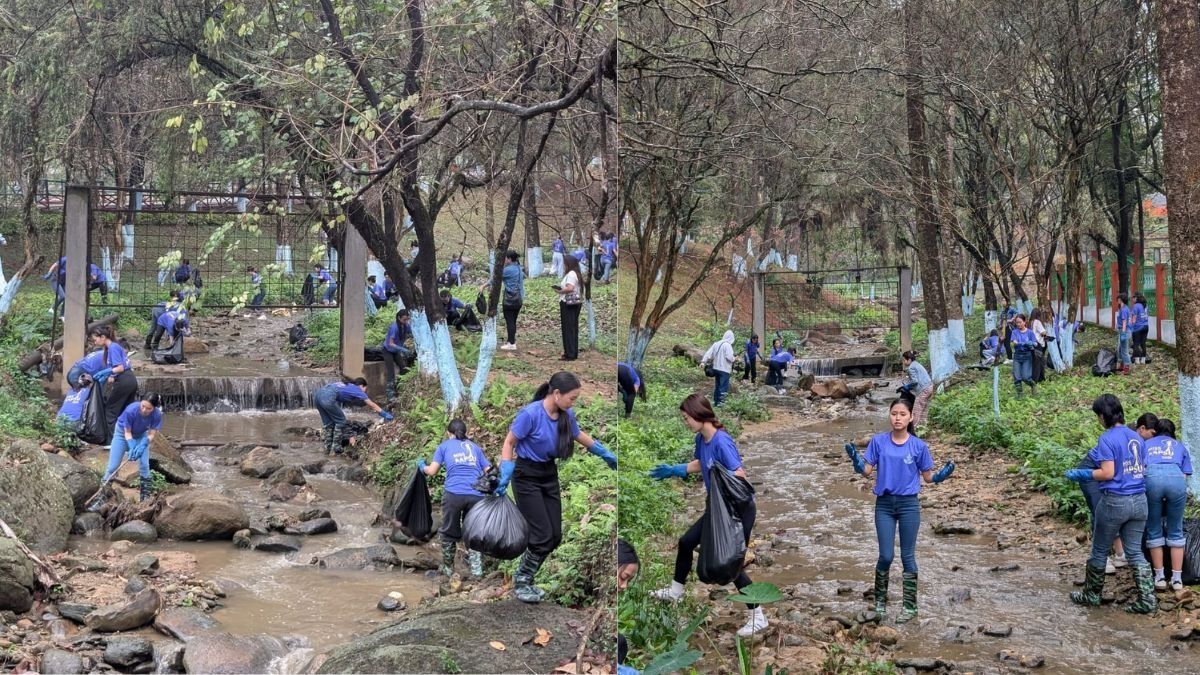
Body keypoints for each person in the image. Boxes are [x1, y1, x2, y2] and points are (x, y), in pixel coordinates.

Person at [648, 394, 768, 637]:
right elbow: (700, 463)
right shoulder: (701, 439)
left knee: (730, 561)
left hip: (737, 510)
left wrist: (720, 483)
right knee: (686, 542)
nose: (685, 422)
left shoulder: (722, 441)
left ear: (699, 414)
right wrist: (675, 470)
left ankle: (758, 616)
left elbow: (739, 475)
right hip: (718, 510)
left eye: (686, 418)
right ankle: (675, 591)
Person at [493, 372, 615, 602]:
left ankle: (527, 578)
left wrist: (604, 453)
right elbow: (509, 442)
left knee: (555, 536)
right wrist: (506, 470)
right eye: (572, 398)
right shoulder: (530, 414)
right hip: (526, 476)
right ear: (556, 393)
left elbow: (578, 435)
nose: (573, 403)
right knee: (542, 535)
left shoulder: (566, 414)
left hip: (548, 474)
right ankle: (522, 580)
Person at [844, 398, 954, 623]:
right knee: (886, 555)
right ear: (889, 415)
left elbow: (928, 477)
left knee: (908, 556)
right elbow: (866, 471)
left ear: (911, 417)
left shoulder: (918, 446)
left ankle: (910, 607)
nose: (897, 418)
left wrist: (942, 475)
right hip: (884, 504)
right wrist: (856, 460)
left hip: (908, 505)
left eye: (903, 414)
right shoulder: (878, 442)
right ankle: (880, 603)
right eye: (894, 413)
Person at [1063, 394, 1155, 613]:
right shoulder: (1136, 437)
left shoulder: (1107, 438)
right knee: (1135, 552)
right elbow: (1143, 468)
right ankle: (1147, 600)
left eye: (1098, 416)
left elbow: (1107, 473)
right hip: (1139, 500)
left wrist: (1082, 473)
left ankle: (1091, 595)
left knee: (1099, 550)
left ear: (1103, 416)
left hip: (1115, 501)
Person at [418, 420, 489, 578]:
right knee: (474, 531)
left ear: (448, 433)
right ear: (466, 432)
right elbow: (489, 470)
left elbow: (432, 471)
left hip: (454, 494)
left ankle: (448, 570)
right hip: (477, 495)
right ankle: (477, 572)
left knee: (449, 531)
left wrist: (422, 466)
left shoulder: (444, 446)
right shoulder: (475, 447)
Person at [1144, 418, 1192, 591]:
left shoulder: (1146, 444)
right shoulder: (1180, 446)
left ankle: (1159, 578)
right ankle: (1177, 580)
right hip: (1176, 480)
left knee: (1153, 528)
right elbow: (1186, 474)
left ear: (1155, 431)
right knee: (1176, 529)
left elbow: (1140, 468)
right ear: (1173, 432)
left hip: (1152, 480)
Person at [101, 394, 163, 502]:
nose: (144, 410)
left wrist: (144, 443)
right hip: (122, 433)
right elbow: (127, 432)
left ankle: (145, 498)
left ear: (154, 408)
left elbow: (152, 433)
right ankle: (102, 495)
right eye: (143, 406)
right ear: (140, 402)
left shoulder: (157, 414)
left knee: (144, 465)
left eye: (148, 408)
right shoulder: (131, 410)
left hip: (141, 436)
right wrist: (132, 445)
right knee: (113, 466)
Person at [313, 377, 393, 454]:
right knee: (341, 421)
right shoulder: (357, 389)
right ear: (361, 386)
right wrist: (385, 414)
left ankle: (327, 448)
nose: (365, 392)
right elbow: (372, 405)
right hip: (328, 398)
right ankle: (336, 448)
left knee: (328, 424)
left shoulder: (347, 385)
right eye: (365, 389)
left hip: (318, 396)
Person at [80, 325, 138, 427]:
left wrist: (105, 372)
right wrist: (109, 376)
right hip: (130, 380)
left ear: (103, 337)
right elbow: (116, 369)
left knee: (110, 412)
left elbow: (120, 368)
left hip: (124, 380)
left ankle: (112, 436)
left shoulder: (113, 347)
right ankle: (127, 435)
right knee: (125, 411)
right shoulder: (112, 347)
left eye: (95, 340)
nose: (95, 343)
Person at [382, 310, 414, 402]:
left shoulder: (406, 326)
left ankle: (398, 387)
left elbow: (413, 333)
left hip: (396, 351)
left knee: (404, 368)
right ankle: (390, 395)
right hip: (388, 350)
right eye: (404, 319)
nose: (406, 321)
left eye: (407, 319)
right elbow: (391, 343)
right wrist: (403, 349)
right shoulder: (394, 327)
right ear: (399, 318)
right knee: (391, 372)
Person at [556, 255, 583, 361]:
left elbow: (570, 288)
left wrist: (560, 291)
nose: (563, 265)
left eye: (565, 263)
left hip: (568, 303)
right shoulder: (575, 273)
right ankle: (572, 352)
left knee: (568, 328)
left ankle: (570, 353)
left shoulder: (571, 274)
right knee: (572, 328)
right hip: (573, 303)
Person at [701, 331, 736, 405]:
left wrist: (703, 362)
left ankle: (716, 402)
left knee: (717, 386)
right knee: (723, 387)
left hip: (716, 368)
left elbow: (708, 353)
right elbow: (729, 357)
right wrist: (734, 359)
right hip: (725, 370)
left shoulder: (716, 344)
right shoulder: (728, 345)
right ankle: (721, 404)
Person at [901, 351, 934, 428]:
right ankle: (923, 427)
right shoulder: (917, 364)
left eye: (904, 360)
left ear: (909, 360)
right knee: (924, 409)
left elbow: (915, 381)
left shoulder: (911, 368)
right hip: (929, 387)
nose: (903, 362)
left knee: (917, 410)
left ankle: (913, 429)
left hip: (923, 389)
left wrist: (907, 386)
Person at [500, 250, 525, 351]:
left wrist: (484, 286)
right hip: (519, 299)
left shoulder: (507, 270)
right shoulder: (519, 268)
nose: (504, 260)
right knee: (513, 321)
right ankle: (511, 341)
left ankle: (511, 343)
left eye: (505, 258)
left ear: (509, 259)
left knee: (510, 321)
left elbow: (495, 278)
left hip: (510, 300)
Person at [1010, 314, 1037, 397]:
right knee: (1017, 376)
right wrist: (1017, 343)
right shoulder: (1014, 332)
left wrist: (1031, 343)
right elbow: (1014, 342)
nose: (1018, 324)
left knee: (1026, 377)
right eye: (1017, 323)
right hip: (1017, 356)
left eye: (1020, 322)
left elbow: (1035, 343)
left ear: (1025, 322)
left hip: (1027, 356)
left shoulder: (1030, 332)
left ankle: (1032, 384)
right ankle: (1020, 395)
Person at [1030, 308, 1048, 383]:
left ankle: (1037, 378)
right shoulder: (1037, 322)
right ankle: (1037, 379)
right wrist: (1046, 331)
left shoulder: (1030, 322)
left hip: (1032, 344)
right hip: (1038, 344)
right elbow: (1043, 332)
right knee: (1039, 362)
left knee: (1035, 362)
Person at [1131, 293, 1150, 365]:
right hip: (1146, 326)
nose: (1132, 299)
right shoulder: (1146, 305)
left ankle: (1137, 361)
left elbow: (1134, 319)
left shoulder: (1136, 306)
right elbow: (1147, 315)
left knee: (1136, 344)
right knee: (1143, 343)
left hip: (1137, 327)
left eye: (1133, 297)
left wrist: (1131, 326)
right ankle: (1143, 360)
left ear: (1136, 298)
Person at [1115, 293, 1132, 374]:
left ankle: (1127, 368)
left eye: (1118, 299)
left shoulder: (1124, 309)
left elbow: (1124, 321)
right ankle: (1122, 365)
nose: (1117, 300)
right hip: (1122, 330)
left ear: (1121, 299)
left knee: (1124, 350)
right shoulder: (1123, 308)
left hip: (1124, 330)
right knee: (1120, 348)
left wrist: (1123, 333)